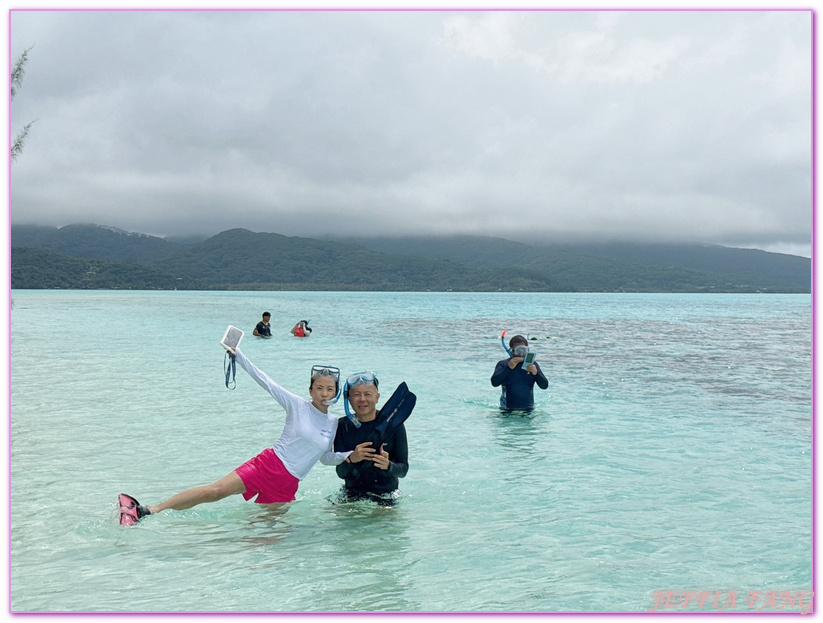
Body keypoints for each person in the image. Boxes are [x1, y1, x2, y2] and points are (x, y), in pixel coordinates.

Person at [118, 350, 349, 525]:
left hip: (288, 484)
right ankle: (148, 510)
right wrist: (238, 356)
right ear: (311, 390)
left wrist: (349, 455)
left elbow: (324, 458)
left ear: (336, 393)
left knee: (268, 535)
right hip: (269, 465)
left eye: (329, 389)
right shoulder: (297, 405)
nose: (324, 393)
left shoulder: (333, 423)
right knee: (216, 491)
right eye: (319, 388)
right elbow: (266, 382)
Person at [333, 371, 411, 506]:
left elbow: (403, 469)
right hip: (352, 493)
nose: (362, 399)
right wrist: (352, 458)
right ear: (349, 398)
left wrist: (388, 465)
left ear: (377, 397)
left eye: (368, 394)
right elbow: (341, 473)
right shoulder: (342, 426)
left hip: (386, 495)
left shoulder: (393, 424)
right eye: (356, 394)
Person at [490, 335, 548, 411]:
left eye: (524, 350)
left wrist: (536, 373)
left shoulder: (532, 365)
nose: (521, 354)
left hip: (528, 410)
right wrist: (508, 368)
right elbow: (494, 383)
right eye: (518, 350)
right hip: (507, 409)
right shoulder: (503, 364)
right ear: (511, 351)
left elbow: (544, 386)